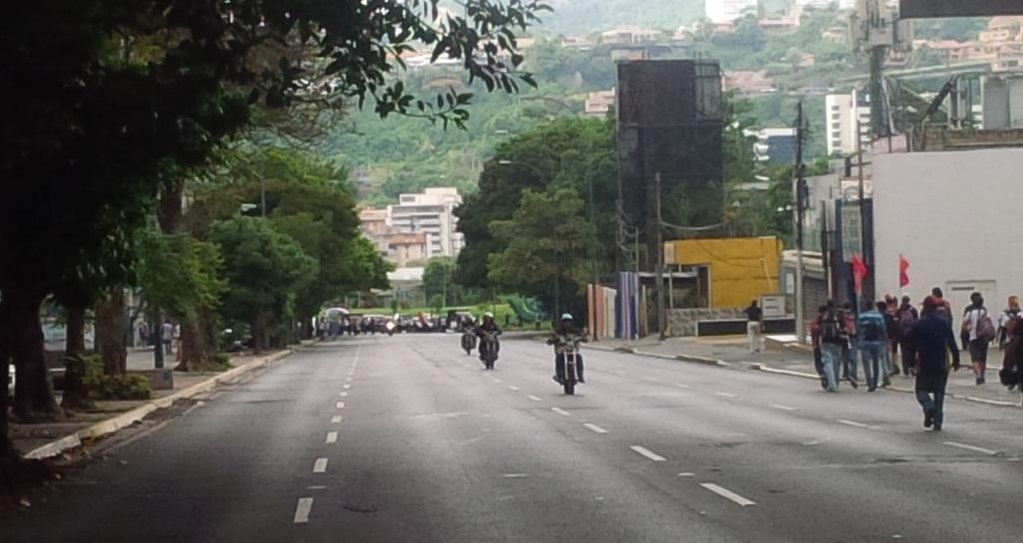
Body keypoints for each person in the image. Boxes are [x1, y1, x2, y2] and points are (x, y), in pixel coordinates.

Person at [909, 296, 961, 431]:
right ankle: (938, 421)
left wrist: (910, 362)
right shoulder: (944, 323)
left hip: (924, 363)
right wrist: (956, 359)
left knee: (921, 390)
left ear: (924, 307)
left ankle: (928, 406)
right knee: (939, 392)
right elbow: (952, 342)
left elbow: (910, 344)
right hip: (941, 362)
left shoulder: (919, 324)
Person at [858, 301, 889, 391]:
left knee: (866, 362)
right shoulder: (879, 316)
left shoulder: (862, 316)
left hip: (865, 342)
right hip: (876, 342)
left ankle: (869, 381)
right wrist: (885, 341)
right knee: (876, 362)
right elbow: (883, 329)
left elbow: (858, 329)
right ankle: (875, 382)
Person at [963, 293, 994, 385]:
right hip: (984, 337)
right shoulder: (985, 311)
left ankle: (979, 375)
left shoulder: (970, 312)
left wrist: (967, 329)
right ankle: (982, 375)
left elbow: (964, 324)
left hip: (974, 336)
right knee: (982, 358)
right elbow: (990, 323)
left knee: (975, 358)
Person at [817, 300, 847, 392]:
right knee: (836, 363)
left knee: (827, 363)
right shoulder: (839, 315)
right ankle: (836, 383)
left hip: (825, 342)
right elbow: (844, 327)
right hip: (837, 342)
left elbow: (818, 328)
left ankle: (832, 383)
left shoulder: (822, 316)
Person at [548, 313, 586, 384]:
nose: (567, 324)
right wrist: (554, 339)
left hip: (572, 351)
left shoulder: (575, 331)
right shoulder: (557, 332)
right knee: (559, 358)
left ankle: (580, 376)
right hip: (562, 351)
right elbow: (549, 341)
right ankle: (559, 375)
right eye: (565, 321)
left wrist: (583, 337)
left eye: (569, 321)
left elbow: (584, 338)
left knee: (579, 357)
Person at [895, 294, 918, 377]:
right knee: (912, 352)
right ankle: (912, 368)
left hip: (902, 335)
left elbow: (896, 322)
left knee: (904, 353)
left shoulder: (899, 310)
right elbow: (916, 322)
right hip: (912, 335)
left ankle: (906, 371)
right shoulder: (913, 310)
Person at [841, 300, 859, 386]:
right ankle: (853, 374)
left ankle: (845, 373)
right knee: (853, 356)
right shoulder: (853, 315)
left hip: (844, 337)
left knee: (844, 356)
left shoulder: (841, 315)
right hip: (853, 336)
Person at [810, 305, 828, 390]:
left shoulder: (815, 322)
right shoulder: (829, 320)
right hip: (828, 345)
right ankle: (827, 376)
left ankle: (823, 375)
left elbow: (812, 331)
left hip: (817, 346)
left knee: (818, 363)